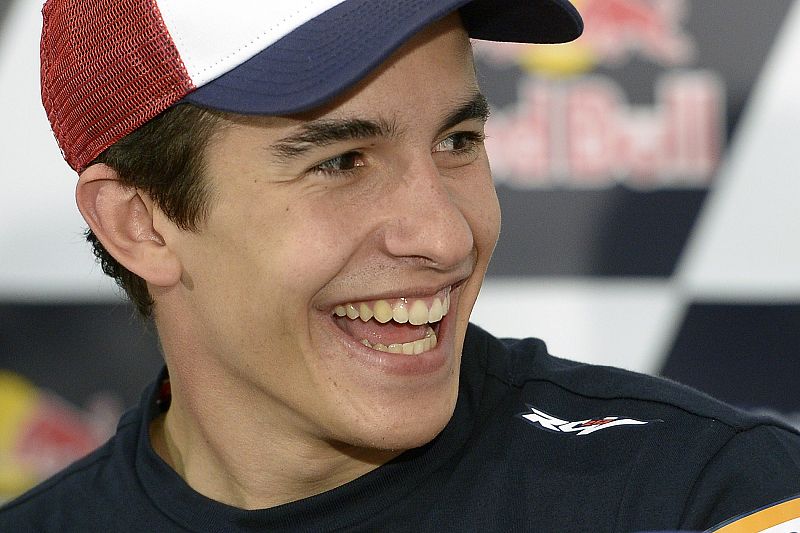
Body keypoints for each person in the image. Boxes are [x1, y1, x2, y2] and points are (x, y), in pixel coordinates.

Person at [2, 1, 799, 531]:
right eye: (342, 161)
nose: (446, 236)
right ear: (139, 224)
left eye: (458, 141)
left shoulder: (713, 497)